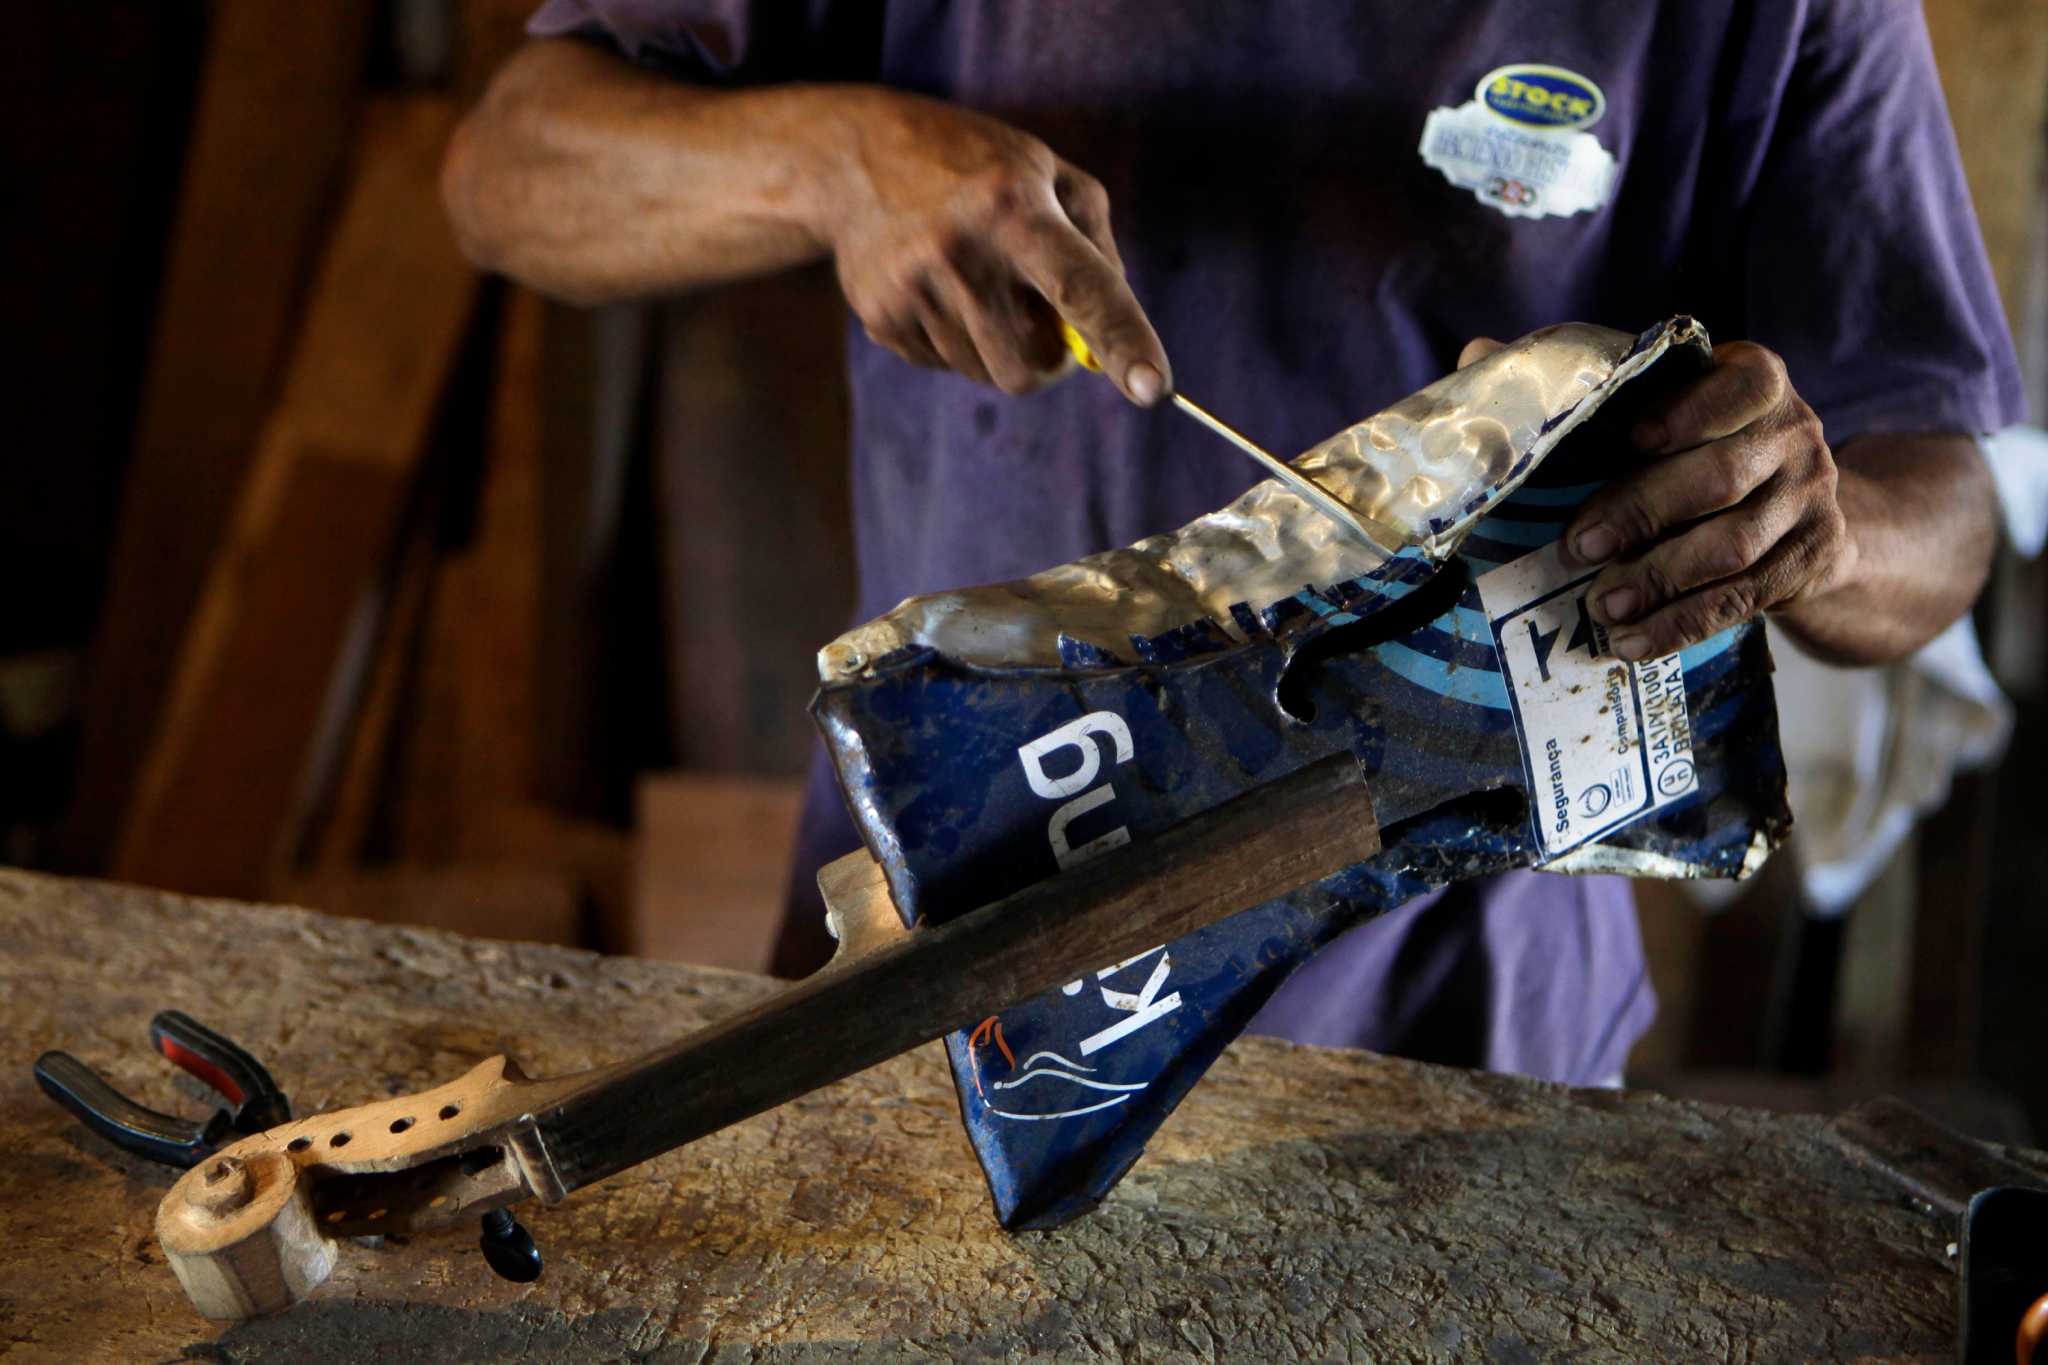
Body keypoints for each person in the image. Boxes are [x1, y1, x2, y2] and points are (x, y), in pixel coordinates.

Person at [442, 2, 2022, 1086]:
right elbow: (511, 169)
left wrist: (1816, 525)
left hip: (1466, 1043)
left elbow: (1936, 499)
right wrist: (829, 159)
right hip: (963, 968)